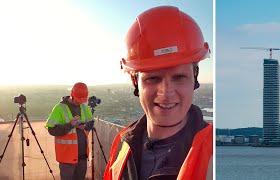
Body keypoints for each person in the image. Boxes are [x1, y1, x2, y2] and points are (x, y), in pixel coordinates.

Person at [104, 6, 213, 180]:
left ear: (194, 78)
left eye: (179, 77)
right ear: (135, 83)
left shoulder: (213, 155)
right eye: (153, 78)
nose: (166, 92)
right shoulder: (122, 144)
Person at [45, 82, 94, 180]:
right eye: (79, 99)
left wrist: (84, 126)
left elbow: (90, 122)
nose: (81, 102)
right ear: (72, 95)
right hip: (66, 158)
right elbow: (52, 130)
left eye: (83, 99)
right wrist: (70, 125)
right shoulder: (59, 108)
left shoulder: (84, 107)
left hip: (82, 156)